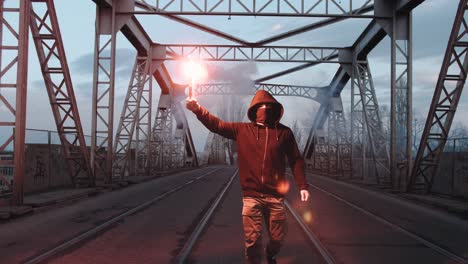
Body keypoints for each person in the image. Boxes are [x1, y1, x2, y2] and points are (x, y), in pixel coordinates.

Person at [186, 90, 310, 264]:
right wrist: (198, 110)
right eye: (261, 106)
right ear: (254, 109)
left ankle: (271, 253)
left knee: (278, 238)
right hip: (251, 196)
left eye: (268, 106)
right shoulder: (242, 130)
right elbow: (217, 125)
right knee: (252, 242)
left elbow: (296, 159)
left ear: (275, 109)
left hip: (276, 197)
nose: (264, 109)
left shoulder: (284, 133)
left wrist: (302, 185)